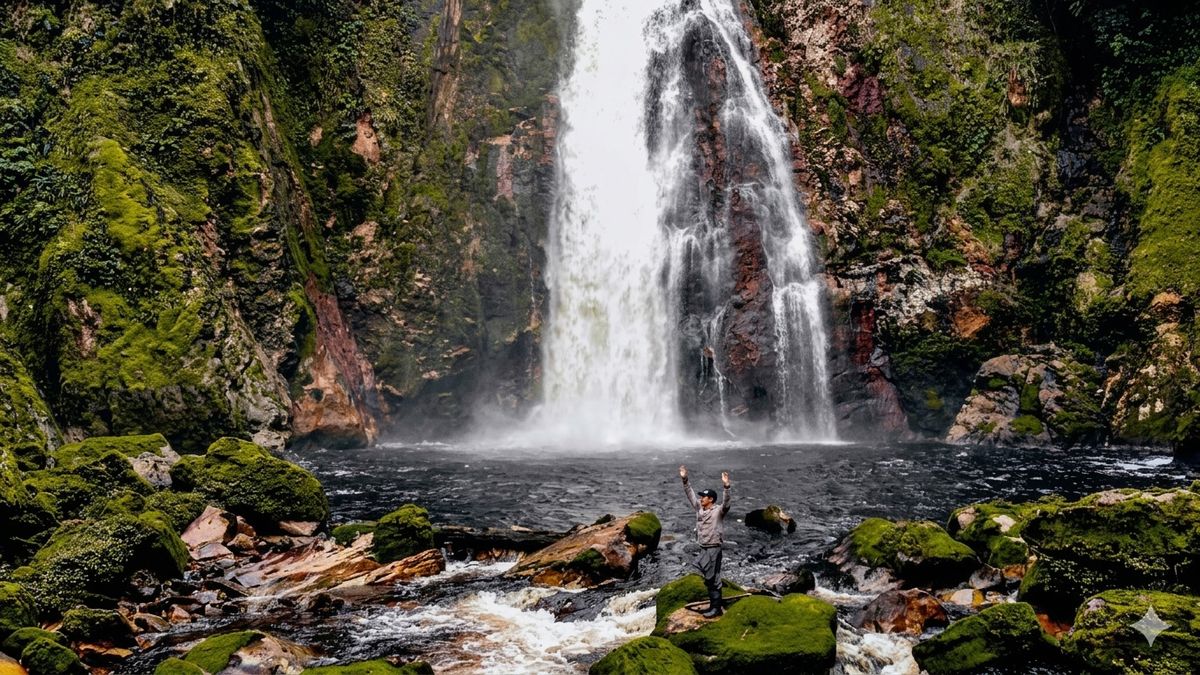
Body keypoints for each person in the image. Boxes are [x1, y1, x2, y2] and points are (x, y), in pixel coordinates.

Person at [679, 464, 731, 617]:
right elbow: (690, 494)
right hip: (703, 548)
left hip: (714, 547)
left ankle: (716, 609)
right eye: (701, 497)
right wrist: (685, 479)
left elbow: (727, 503)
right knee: (708, 577)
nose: (701, 499)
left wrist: (726, 486)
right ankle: (713, 606)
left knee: (713, 578)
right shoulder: (699, 509)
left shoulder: (719, 511)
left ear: (711, 499)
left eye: (704, 497)